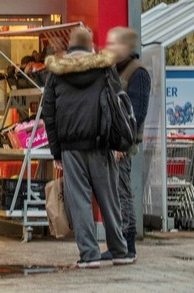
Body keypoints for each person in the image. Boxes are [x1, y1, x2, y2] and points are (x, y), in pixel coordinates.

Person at [41, 27, 133, 268]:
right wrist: (118, 142)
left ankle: (89, 255)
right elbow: (117, 103)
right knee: (109, 198)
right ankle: (120, 250)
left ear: (70, 46)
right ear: (91, 45)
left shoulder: (56, 74)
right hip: (101, 143)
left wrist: (56, 151)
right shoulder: (104, 68)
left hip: (71, 148)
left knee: (79, 201)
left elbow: (48, 113)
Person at [103, 26, 151, 260]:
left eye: (114, 44)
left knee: (122, 193)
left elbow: (136, 113)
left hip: (122, 145)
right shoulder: (113, 70)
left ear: (126, 47)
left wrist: (123, 143)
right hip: (110, 143)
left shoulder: (137, 73)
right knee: (113, 193)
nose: (110, 48)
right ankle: (117, 244)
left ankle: (127, 245)